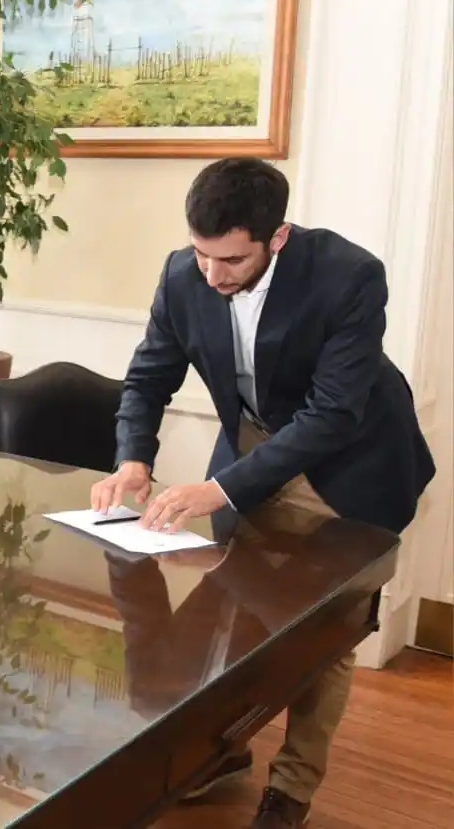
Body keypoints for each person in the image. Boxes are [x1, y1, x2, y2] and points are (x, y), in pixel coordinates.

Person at [90, 157, 435, 829]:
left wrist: (219, 489)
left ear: (276, 238)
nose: (212, 274)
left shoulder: (349, 276)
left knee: (323, 627)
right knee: (234, 602)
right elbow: (148, 378)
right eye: (201, 254)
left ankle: (292, 787)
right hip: (256, 440)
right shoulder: (182, 272)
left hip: (349, 459)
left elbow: (332, 415)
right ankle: (226, 748)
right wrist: (134, 460)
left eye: (231, 260)